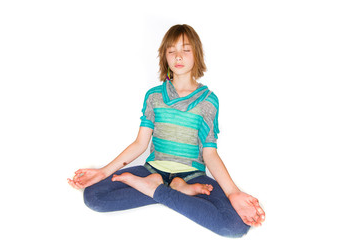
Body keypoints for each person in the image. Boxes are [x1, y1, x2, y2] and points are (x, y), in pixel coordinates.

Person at [68, 24, 265, 238]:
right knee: (93, 196)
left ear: (196, 54)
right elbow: (140, 144)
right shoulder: (154, 96)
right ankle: (168, 187)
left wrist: (233, 193)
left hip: (192, 177)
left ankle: (157, 189)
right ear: (165, 57)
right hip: (152, 170)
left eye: (185, 50)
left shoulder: (209, 100)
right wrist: (103, 172)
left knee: (236, 227)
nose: (178, 56)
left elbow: (210, 153)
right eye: (172, 51)